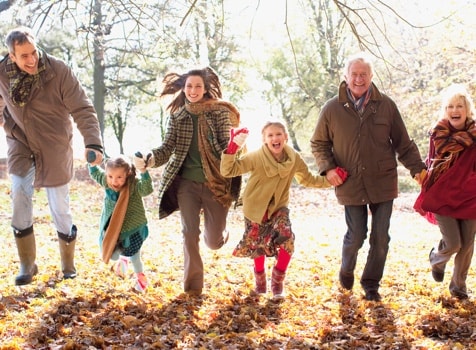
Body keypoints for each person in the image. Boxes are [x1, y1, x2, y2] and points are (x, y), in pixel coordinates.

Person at [310, 52, 426, 301]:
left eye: (364, 74)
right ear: (346, 76)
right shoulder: (332, 108)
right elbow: (319, 143)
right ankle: (346, 268)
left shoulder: (386, 106)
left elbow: (403, 144)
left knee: (381, 237)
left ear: (371, 76)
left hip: (382, 180)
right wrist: (328, 169)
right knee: (356, 235)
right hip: (349, 181)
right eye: (355, 74)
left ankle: (371, 283)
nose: (359, 79)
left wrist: (417, 169)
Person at [0, 26, 103, 285]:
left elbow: (82, 107)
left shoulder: (57, 71)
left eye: (33, 52)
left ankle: (68, 263)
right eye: (23, 56)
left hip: (54, 143)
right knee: (20, 194)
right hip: (20, 141)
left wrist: (93, 143)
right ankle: (27, 265)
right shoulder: (2, 73)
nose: (31, 59)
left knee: (60, 207)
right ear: (11, 56)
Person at [134, 67, 240, 296]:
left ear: (205, 89)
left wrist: (235, 147)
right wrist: (150, 158)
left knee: (212, 241)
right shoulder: (178, 116)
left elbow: (225, 146)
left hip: (215, 183)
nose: (193, 90)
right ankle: (193, 288)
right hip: (187, 186)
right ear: (184, 88)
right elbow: (167, 148)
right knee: (189, 233)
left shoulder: (219, 113)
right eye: (189, 86)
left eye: (198, 86)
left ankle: (221, 235)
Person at [221, 121, 339, 300]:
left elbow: (307, 179)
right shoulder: (257, 157)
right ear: (264, 140)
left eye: (278, 134)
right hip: (255, 208)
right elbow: (229, 170)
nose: (274, 138)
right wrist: (231, 150)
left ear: (285, 137)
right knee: (257, 246)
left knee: (287, 238)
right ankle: (260, 281)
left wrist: (331, 180)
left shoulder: (294, 159)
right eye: (270, 135)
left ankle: (278, 280)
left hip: (279, 208)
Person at [413, 84, 476, 300]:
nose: (454, 110)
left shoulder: (475, 136)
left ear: (467, 110)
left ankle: (458, 287)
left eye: (459, 106)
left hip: (470, 195)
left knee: (467, 245)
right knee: (453, 243)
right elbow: (431, 162)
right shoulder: (438, 134)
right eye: (450, 106)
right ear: (445, 110)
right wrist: (420, 172)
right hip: (442, 196)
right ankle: (436, 259)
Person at [88, 155, 153, 293]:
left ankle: (141, 280)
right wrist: (92, 162)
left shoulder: (134, 184)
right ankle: (123, 260)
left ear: (128, 174)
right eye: (110, 176)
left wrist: (144, 172)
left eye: (119, 177)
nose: (114, 181)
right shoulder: (107, 182)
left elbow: (146, 189)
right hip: (115, 229)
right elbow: (95, 173)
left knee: (134, 255)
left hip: (133, 228)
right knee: (113, 255)